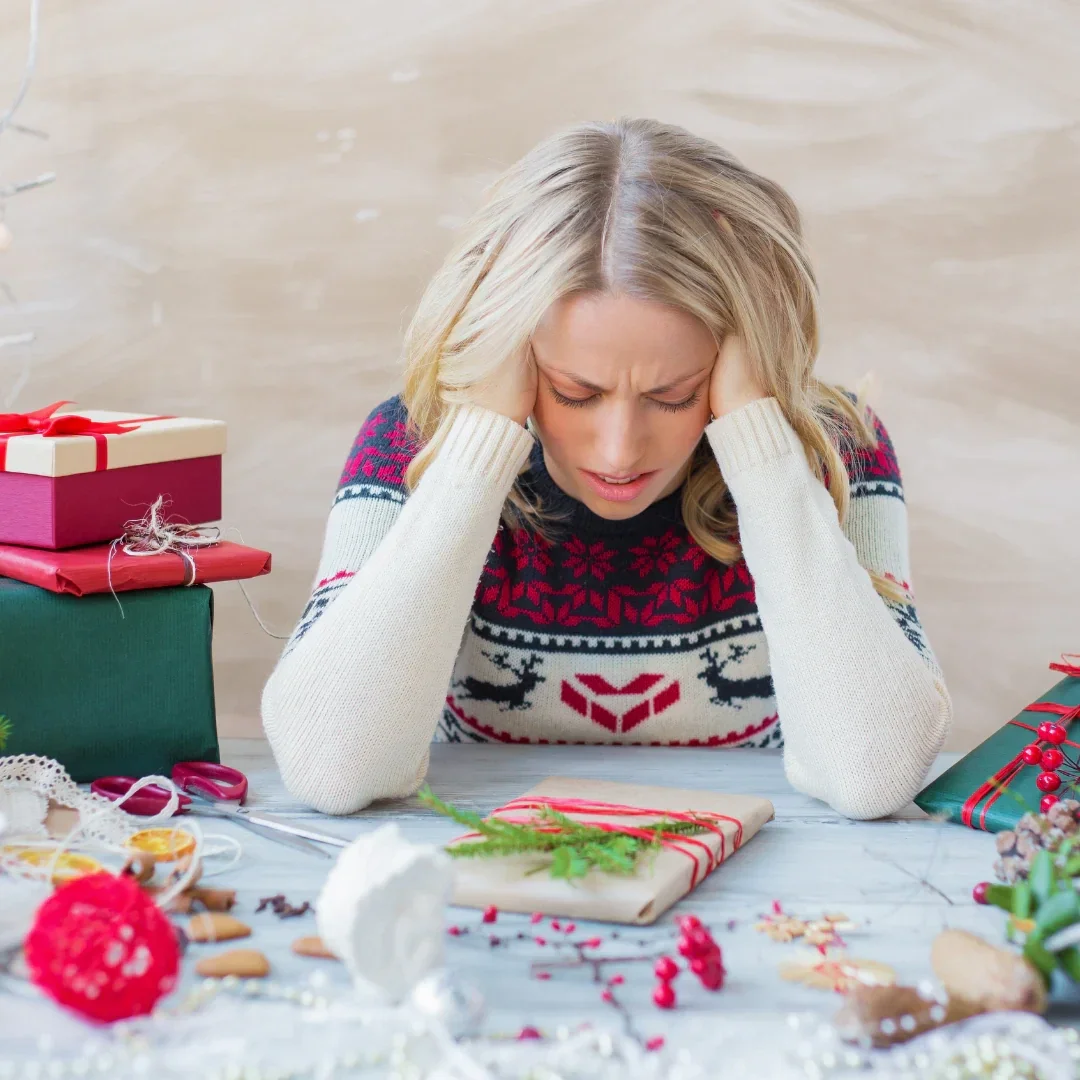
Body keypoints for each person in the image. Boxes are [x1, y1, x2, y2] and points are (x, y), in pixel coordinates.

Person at [262, 116, 952, 819]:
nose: (620, 451)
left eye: (673, 395)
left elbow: (873, 772)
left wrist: (758, 436)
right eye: (575, 393)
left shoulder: (836, 449)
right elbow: (331, 765)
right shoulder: (411, 443)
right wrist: (479, 445)